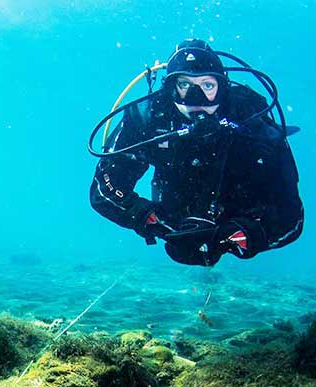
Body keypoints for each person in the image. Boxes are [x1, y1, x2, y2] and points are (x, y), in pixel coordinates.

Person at [90, 39, 304, 266]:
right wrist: (153, 221)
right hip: (172, 214)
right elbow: (104, 190)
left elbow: (291, 217)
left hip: (237, 212)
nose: (196, 97)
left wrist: (232, 236)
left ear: (223, 87)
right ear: (170, 88)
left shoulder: (249, 114)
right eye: (184, 85)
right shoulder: (149, 116)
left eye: (208, 86)